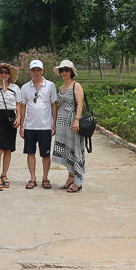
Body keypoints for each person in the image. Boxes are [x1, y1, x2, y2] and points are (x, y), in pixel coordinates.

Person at [19, 60, 57, 189]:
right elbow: (23, 107)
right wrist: (22, 125)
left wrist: (54, 123)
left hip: (45, 126)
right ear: (30, 71)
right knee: (30, 153)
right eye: (33, 70)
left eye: (38, 70)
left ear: (42, 71)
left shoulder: (50, 85)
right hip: (30, 126)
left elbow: (54, 105)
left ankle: (45, 178)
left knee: (45, 154)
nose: (36, 73)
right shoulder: (25, 87)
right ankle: (32, 178)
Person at [52, 60, 86, 193]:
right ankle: (70, 177)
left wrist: (76, 120)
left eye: (66, 70)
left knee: (75, 148)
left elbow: (80, 104)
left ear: (71, 71)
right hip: (62, 122)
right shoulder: (61, 87)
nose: (64, 72)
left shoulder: (76, 85)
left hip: (73, 120)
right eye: (62, 70)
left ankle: (78, 181)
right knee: (67, 150)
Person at [0, 62, 22, 190]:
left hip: (11, 117)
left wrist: (19, 117)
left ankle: (4, 174)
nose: (4, 74)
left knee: (8, 149)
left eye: (6, 72)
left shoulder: (15, 88)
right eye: (1, 72)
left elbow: (18, 104)